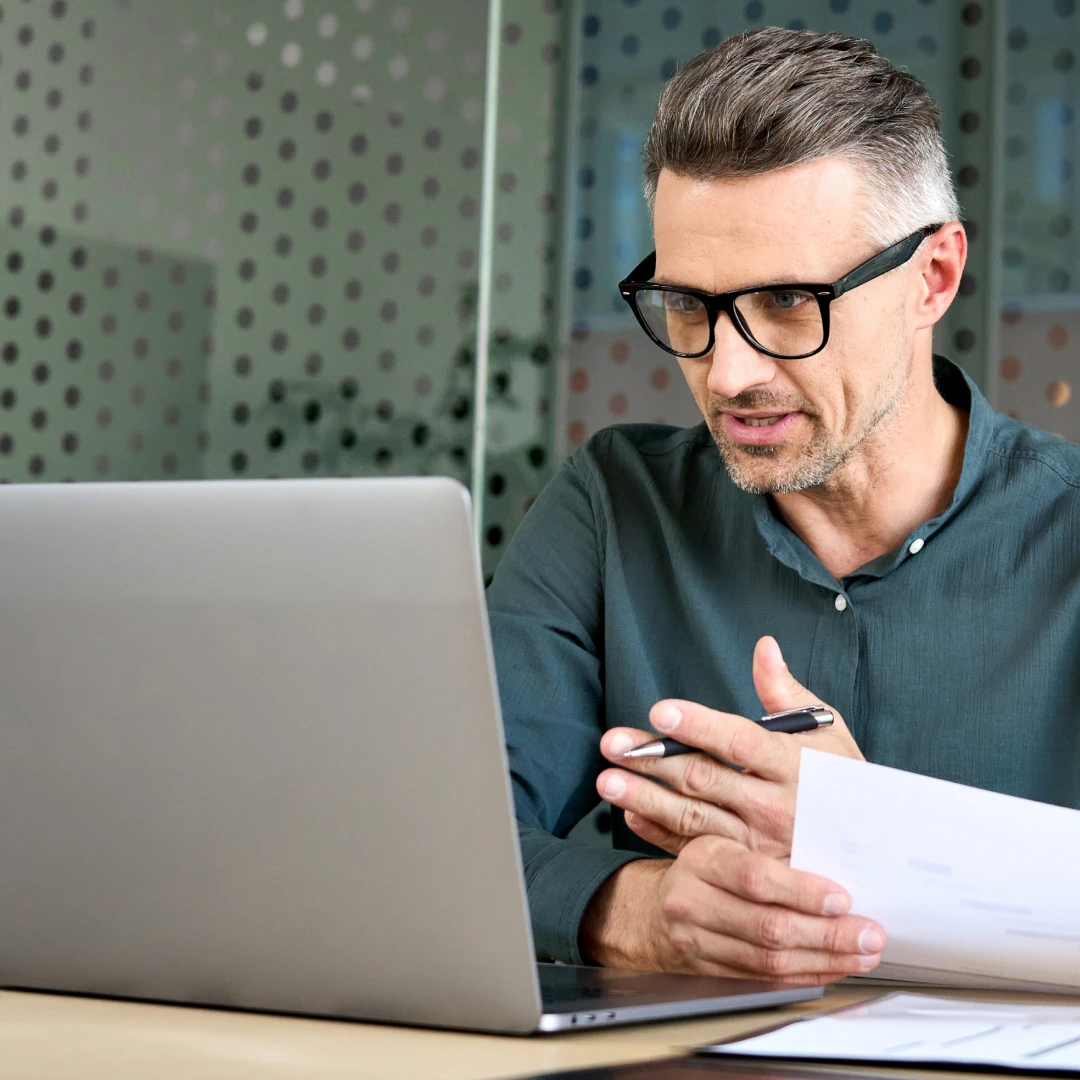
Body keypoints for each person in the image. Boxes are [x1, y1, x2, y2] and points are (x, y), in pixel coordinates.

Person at [486, 27, 1080, 986]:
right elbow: (440, 840)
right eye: (688, 305)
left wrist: (884, 845)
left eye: (791, 304)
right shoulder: (613, 505)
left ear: (932, 277)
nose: (728, 371)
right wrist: (629, 909)